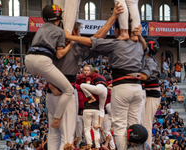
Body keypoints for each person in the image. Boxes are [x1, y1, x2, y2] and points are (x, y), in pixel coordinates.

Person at [46, 4, 123, 150]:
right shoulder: (75, 47)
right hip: (66, 91)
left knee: (53, 133)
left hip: (51, 92)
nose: (80, 36)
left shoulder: (51, 44)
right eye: (79, 32)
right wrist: (113, 17)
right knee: (67, 136)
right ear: (73, 32)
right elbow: (98, 37)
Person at [65, 15, 146, 150]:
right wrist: (139, 36)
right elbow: (146, 48)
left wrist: (70, 36)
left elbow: (92, 41)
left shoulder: (115, 43)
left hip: (121, 85)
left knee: (120, 126)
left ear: (116, 31)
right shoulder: (139, 45)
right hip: (137, 88)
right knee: (134, 124)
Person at [25, 4, 74, 129]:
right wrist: (70, 45)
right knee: (69, 90)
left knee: (48, 70)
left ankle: (51, 84)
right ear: (59, 19)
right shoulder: (60, 31)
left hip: (28, 59)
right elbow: (59, 54)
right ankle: (57, 119)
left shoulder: (40, 29)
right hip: (43, 61)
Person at [140, 38, 161, 148]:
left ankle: (146, 147)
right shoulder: (145, 59)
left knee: (146, 123)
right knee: (142, 121)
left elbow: (143, 76)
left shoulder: (150, 61)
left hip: (152, 95)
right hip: (147, 94)